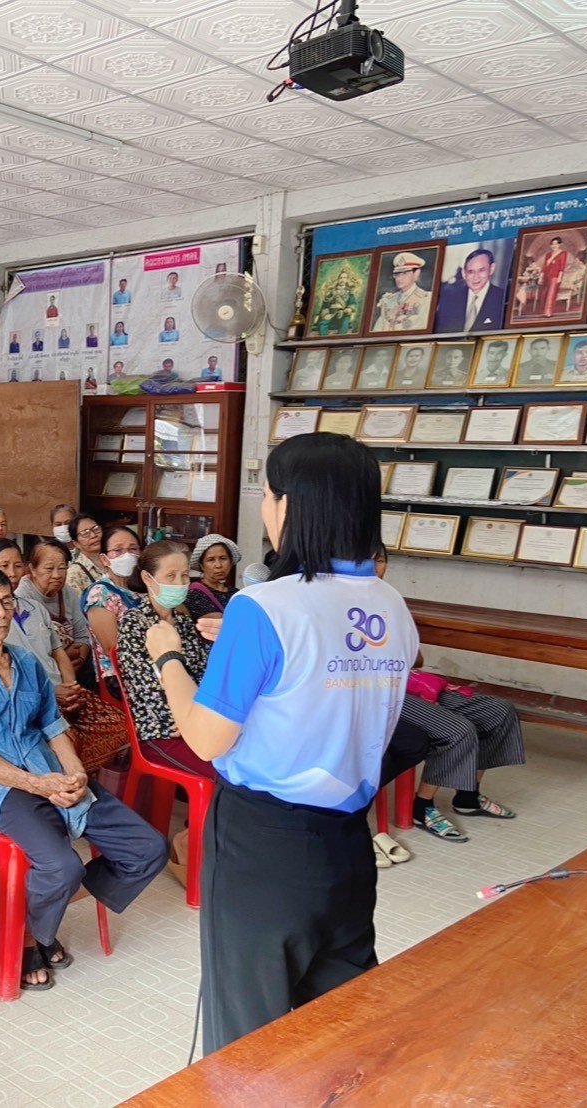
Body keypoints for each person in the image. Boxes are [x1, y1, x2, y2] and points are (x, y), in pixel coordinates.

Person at [142, 432, 419, 1051]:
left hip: (263, 848)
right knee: (342, 1025)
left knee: (249, 1036)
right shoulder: (392, 605)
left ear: (288, 505)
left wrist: (168, 659)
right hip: (348, 846)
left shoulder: (262, 607)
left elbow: (207, 739)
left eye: (266, 496)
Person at [0, 567, 167, 991]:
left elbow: (53, 727)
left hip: (49, 773)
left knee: (147, 849)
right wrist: (39, 785)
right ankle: (27, 936)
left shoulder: (25, 661)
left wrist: (74, 774)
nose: (1, 612)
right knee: (61, 866)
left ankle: (28, 918)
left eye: (7, 602)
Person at [372, 549, 523, 839]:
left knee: (498, 711)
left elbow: (416, 658)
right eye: (366, 560)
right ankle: (422, 806)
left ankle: (468, 796)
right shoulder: (341, 602)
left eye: (380, 560)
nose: (375, 567)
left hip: (409, 681)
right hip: (377, 690)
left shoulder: (390, 599)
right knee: (457, 730)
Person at [0, 540, 127, 775]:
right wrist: (51, 692)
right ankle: (66, 778)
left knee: (118, 725)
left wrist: (71, 687)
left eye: (17, 565)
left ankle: (79, 775)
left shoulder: (34, 608)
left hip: (61, 691)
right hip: (28, 699)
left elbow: (58, 653)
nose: (12, 573)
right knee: (70, 740)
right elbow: (3, 671)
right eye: (4, 566)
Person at [114, 541, 217, 778]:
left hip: (194, 722)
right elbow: (147, 690)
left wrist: (199, 717)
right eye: (171, 576)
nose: (180, 584)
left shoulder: (184, 623)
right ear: (148, 579)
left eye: (184, 576)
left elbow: (204, 674)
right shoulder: (134, 624)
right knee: (222, 775)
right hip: (160, 730)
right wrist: (186, 719)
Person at [17, 539, 92, 681]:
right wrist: (64, 658)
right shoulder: (23, 598)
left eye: (62, 568)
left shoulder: (68, 592)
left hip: (76, 666)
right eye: (49, 568)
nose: (57, 575)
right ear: (33, 569)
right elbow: (33, 649)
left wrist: (80, 659)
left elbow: (82, 635)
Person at [82, 525, 144, 691]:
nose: (127, 555)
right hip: (119, 675)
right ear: (104, 559)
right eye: (118, 550)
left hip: (150, 666)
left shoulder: (144, 587)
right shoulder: (100, 594)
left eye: (133, 549)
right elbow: (112, 649)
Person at [434, 247, 506, 333]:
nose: (476, 277)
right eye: (471, 272)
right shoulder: (449, 300)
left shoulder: (503, 299)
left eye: (481, 270)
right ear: (464, 274)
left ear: (492, 269)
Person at [370, 251, 432, 333]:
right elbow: (377, 330)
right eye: (397, 274)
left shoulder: (426, 299)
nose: (399, 278)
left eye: (404, 273)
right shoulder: (388, 300)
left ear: (416, 274)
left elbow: (422, 328)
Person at [185, 533, 240, 622]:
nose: (218, 565)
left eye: (223, 558)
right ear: (202, 565)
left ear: (230, 562)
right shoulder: (194, 594)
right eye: (210, 560)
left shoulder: (236, 594)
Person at [65, 514, 104, 595]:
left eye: (96, 529)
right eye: (85, 533)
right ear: (76, 543)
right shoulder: (73, 574)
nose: (93, 535)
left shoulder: (114, 559)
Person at [539, 236, 568, 317]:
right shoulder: (548, 255)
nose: (554, 246)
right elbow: (544, 267)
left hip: (555, 276)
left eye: (556, 244)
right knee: (544, 294)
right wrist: (541, 277)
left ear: (560, 244)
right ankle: (543, 311)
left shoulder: (563, 253)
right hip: (546, 276)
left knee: (551, 294)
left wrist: (560, 277)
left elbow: (562, 266)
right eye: (552, 244)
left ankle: (548, 312)